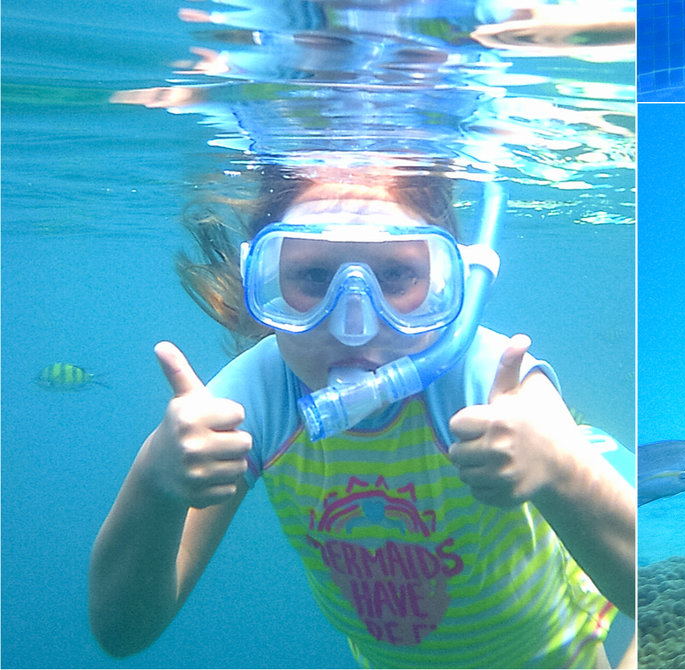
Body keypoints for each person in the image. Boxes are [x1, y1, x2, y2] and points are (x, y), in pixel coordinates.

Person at [90, 165, 636, 668]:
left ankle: (611, 460)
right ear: (263, 281)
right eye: (313, 277)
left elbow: (651, 590)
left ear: (450, 282)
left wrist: (560, 470)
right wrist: (155, 479)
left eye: (396, 275)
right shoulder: (255, 398)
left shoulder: (494, 384)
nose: (356, 324)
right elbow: (123, 632)